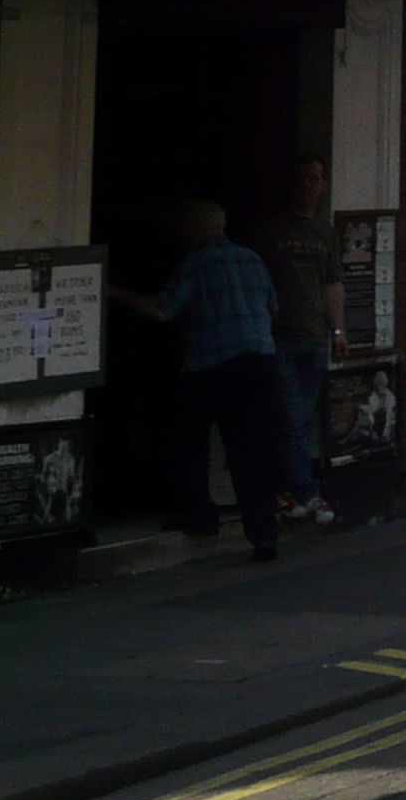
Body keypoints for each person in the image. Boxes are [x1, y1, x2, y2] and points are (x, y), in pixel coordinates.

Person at [108, 201, 288, 562]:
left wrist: (116, 293)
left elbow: (162, 310)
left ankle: (201, 516)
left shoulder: (195, 263)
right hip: (260, 363)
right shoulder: (252, 259)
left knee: (189, 441)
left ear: (193, 230)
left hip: (211, 366)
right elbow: (274, 309)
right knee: (251, 451)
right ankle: (263, 534)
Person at [255, 156, 345, 530]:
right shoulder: (267, 232)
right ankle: (307, 492)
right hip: (280, 339)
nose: (308, 184)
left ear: (322, 185)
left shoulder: (325, 233)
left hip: (314, 339)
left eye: (314, 178)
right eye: (302, 178)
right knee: (292, 419)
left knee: (301, 420)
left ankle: (288, 490)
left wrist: (337, 331)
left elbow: (333, 284)